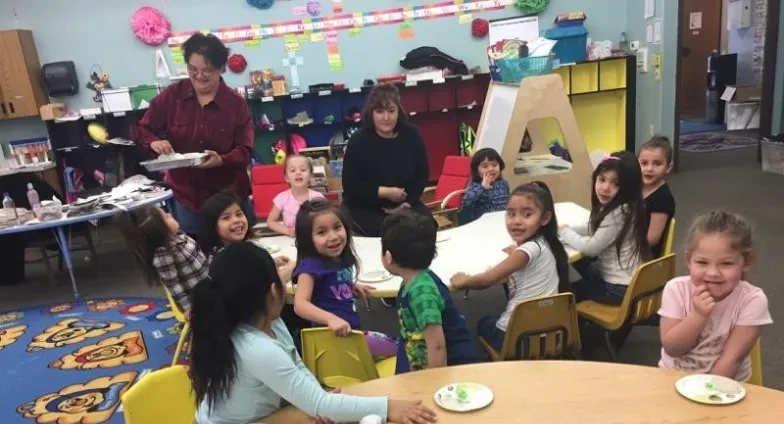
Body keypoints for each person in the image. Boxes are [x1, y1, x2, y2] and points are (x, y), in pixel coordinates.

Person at [189, 242, 437, 424]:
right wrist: (389, 406)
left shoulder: (267, 323)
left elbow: (296, 367)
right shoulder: (256, 347)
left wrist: (315, 395)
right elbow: (322, 405)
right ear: (274, 292)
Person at [130, 33, 255, 235]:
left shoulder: (235, 104)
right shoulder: (173, 96)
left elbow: (246, 151)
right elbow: (139, 129)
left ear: (221, 68)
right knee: (196, 252)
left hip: (229, 196)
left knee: (239, 252)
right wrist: (154, 142)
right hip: (188, 196)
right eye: (193, 69)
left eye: (208, 70)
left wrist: (221, 160)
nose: (199, 76)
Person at [450, 182, 570, 352]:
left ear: (545, 218)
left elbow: (486, 280)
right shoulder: (545, 242)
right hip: (549, 335)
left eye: (527, 214)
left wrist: (463, 281)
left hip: (519, 341)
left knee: (483, 323)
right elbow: (529, 255)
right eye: (511, 214)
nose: (516, 221)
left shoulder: (526, 251)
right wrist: (518, 252)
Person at [658, 211, 772, 382]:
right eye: (702, 262)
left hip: (722, 386)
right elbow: (672, 348)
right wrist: (698, 316)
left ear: (746, 262)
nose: (712, 273)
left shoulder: (752, 300)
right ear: (689, 260)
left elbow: (731, 360)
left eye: (726, 263)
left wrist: (707, 394)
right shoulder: (675, 289)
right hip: (673, 379)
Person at [379, 210, 482, 373]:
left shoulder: (422, 293)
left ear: (388, 257)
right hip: (422, 358)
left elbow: (438, 346)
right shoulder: (413, 281)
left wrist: (431, 384)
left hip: (454, 367)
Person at [291, 200, 397, 359]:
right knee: (402, 349)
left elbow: (331, 284)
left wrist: (350, 287)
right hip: (332, 338)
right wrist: (330, 319)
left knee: (398, 347)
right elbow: (300, 305)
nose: (333, 236)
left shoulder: (340, 258)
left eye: (337, 227)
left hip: (351, 332)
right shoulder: (311, 266)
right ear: (308, 239)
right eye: (321, 232)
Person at [341, 83, 432, 237]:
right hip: (366, 207)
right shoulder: (358, 141)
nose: (386, 117)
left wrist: (407, 203)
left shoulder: (411, 135)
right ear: (371, 113)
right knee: (393, 234)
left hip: (405, 205)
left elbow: (422, 174)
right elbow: (351, 187)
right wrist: (384, 192)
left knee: (427, 228)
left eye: (391, 110)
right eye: (379, 111)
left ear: (398, 111)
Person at [559, 151, 648, 305]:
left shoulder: (618, 213)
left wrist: (565, 232)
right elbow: (594, 226)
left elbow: (591, 249)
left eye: (616, 184)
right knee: (576, 258)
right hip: (628, 281)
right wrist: (565, 229)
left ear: (628, 188)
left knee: (565, 294)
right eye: (602, 179)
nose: (605, 188)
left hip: (618, 289)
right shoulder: (627, 206)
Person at [115, 206, 207, 315]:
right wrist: (188, 307)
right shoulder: (164, 254)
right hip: (200, 298)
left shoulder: (179, 236)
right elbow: (173, 284)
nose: (170, 215)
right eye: (166, 217)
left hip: (207, 282)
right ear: (159, 229)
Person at [267, 155, 324, 236]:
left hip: (314, 238)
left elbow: (325, 219)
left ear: (311, 175)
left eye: (303, 170)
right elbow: (270, 221)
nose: (298, 173)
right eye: (293, 170)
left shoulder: (317, 197)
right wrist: (287, 230)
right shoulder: (282, 198)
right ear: (286, 177)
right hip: (290, 240)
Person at [638, 136, 676, 258]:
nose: (649, 169)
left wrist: (623, 245)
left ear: (668, 167)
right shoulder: (637, 187)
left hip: (643, 256)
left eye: (657, 164)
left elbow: (652, 239)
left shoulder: (662, 198)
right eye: (644, 163)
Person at [461, 148, 510, 223]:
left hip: (501, 221)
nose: (491, 169)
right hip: (482, 224)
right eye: (485, 166)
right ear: (477, 171)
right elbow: (466, 202)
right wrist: (482, 187)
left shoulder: (503, 183)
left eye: (495, 165)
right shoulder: (476, 186)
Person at [198, 190, 251, 258]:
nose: (236, 220)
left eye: (239, 214)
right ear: (212, 226)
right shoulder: (222, 259)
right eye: (226, 218)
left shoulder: (250, 245)